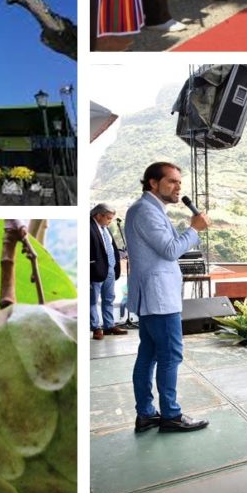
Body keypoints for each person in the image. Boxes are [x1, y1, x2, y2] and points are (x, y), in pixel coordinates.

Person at [126, 161, 210, 433]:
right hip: (159, 299)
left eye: (179, 182)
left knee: (149, 355)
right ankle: (171, 415)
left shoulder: (151, 210)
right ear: (153, 183)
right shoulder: (145, 212)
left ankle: (147, 413)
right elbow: (171, 250)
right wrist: (194, 229)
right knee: (170, 356)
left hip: (155, 297)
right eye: (172, 181)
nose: (178, 187)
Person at [90, 203, 125, 340]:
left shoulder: (105, 228)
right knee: (92, 300)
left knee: (109, 298)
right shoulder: (88, 227)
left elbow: (110, 247)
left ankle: (109, 326)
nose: (110, 221)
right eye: (108, 218)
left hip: (110, 268)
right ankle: (95, 327)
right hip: (96, 270)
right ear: (98, 215)